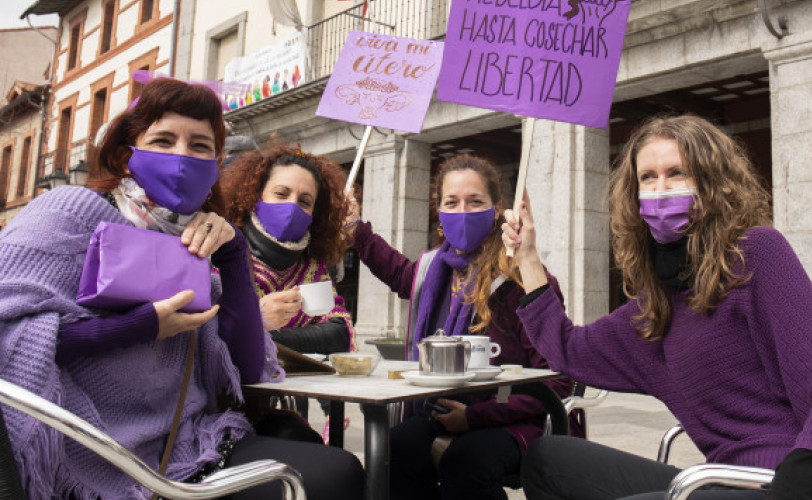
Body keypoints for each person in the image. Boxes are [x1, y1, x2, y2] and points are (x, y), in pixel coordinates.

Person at [0, 77, 363, 500]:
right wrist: (139, 327)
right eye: (163, 140)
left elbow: (246, 368)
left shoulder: (196, 244)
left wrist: (232, 253)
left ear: (216, 163)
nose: (181, 157)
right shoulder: (67, 211)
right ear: (126, 151)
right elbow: (10, 334)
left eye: (199, 146)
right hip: (88, 451)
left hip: (189, 445)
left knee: (342, 470)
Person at [501, 114, 812, 500]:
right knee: (547, 457)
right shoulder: (656, 305)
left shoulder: (755, 254)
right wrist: (528, 257)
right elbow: (570, 350)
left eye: (677, 173)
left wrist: (799, 480)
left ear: (712, 183)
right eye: (648, 177)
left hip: (784, 484)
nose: (660, 188)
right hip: (718, 480)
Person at [347, 153, 581, 500]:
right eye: (451, 202)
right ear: (438, 210)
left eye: (475, 202)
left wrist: (475, 416)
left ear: (498, 208)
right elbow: (396, 270)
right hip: (439, 410)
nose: (463, 212)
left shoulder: (523, 278)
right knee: (393, 448)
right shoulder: (433, 271)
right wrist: (354, 228)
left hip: (515, 417)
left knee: (464, 463)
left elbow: (559, 380)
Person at [220, 145, 356, 355]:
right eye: (281, 193)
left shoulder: (313, 267)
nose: (292, 207)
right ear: (255, 196)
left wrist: (260, 335)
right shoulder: (221, 252)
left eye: (304, 201)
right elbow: (204, 332)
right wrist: (256, 318)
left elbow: (339, 332)